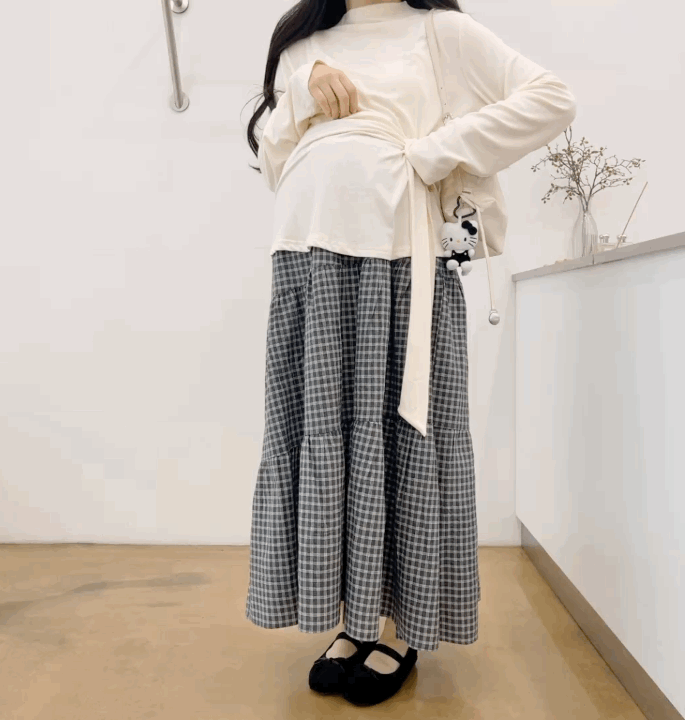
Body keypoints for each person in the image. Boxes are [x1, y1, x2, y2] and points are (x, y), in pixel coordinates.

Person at [244, 0, 576, 706]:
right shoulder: (305, 43)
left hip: (400, 263)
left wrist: (434, 151)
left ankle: (398, 628)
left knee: (401, 438)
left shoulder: (439, 31)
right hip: (305, 261)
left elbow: (551, 98)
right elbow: (274, 161)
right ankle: (354, 620)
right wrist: (301, 88)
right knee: (325, 433)